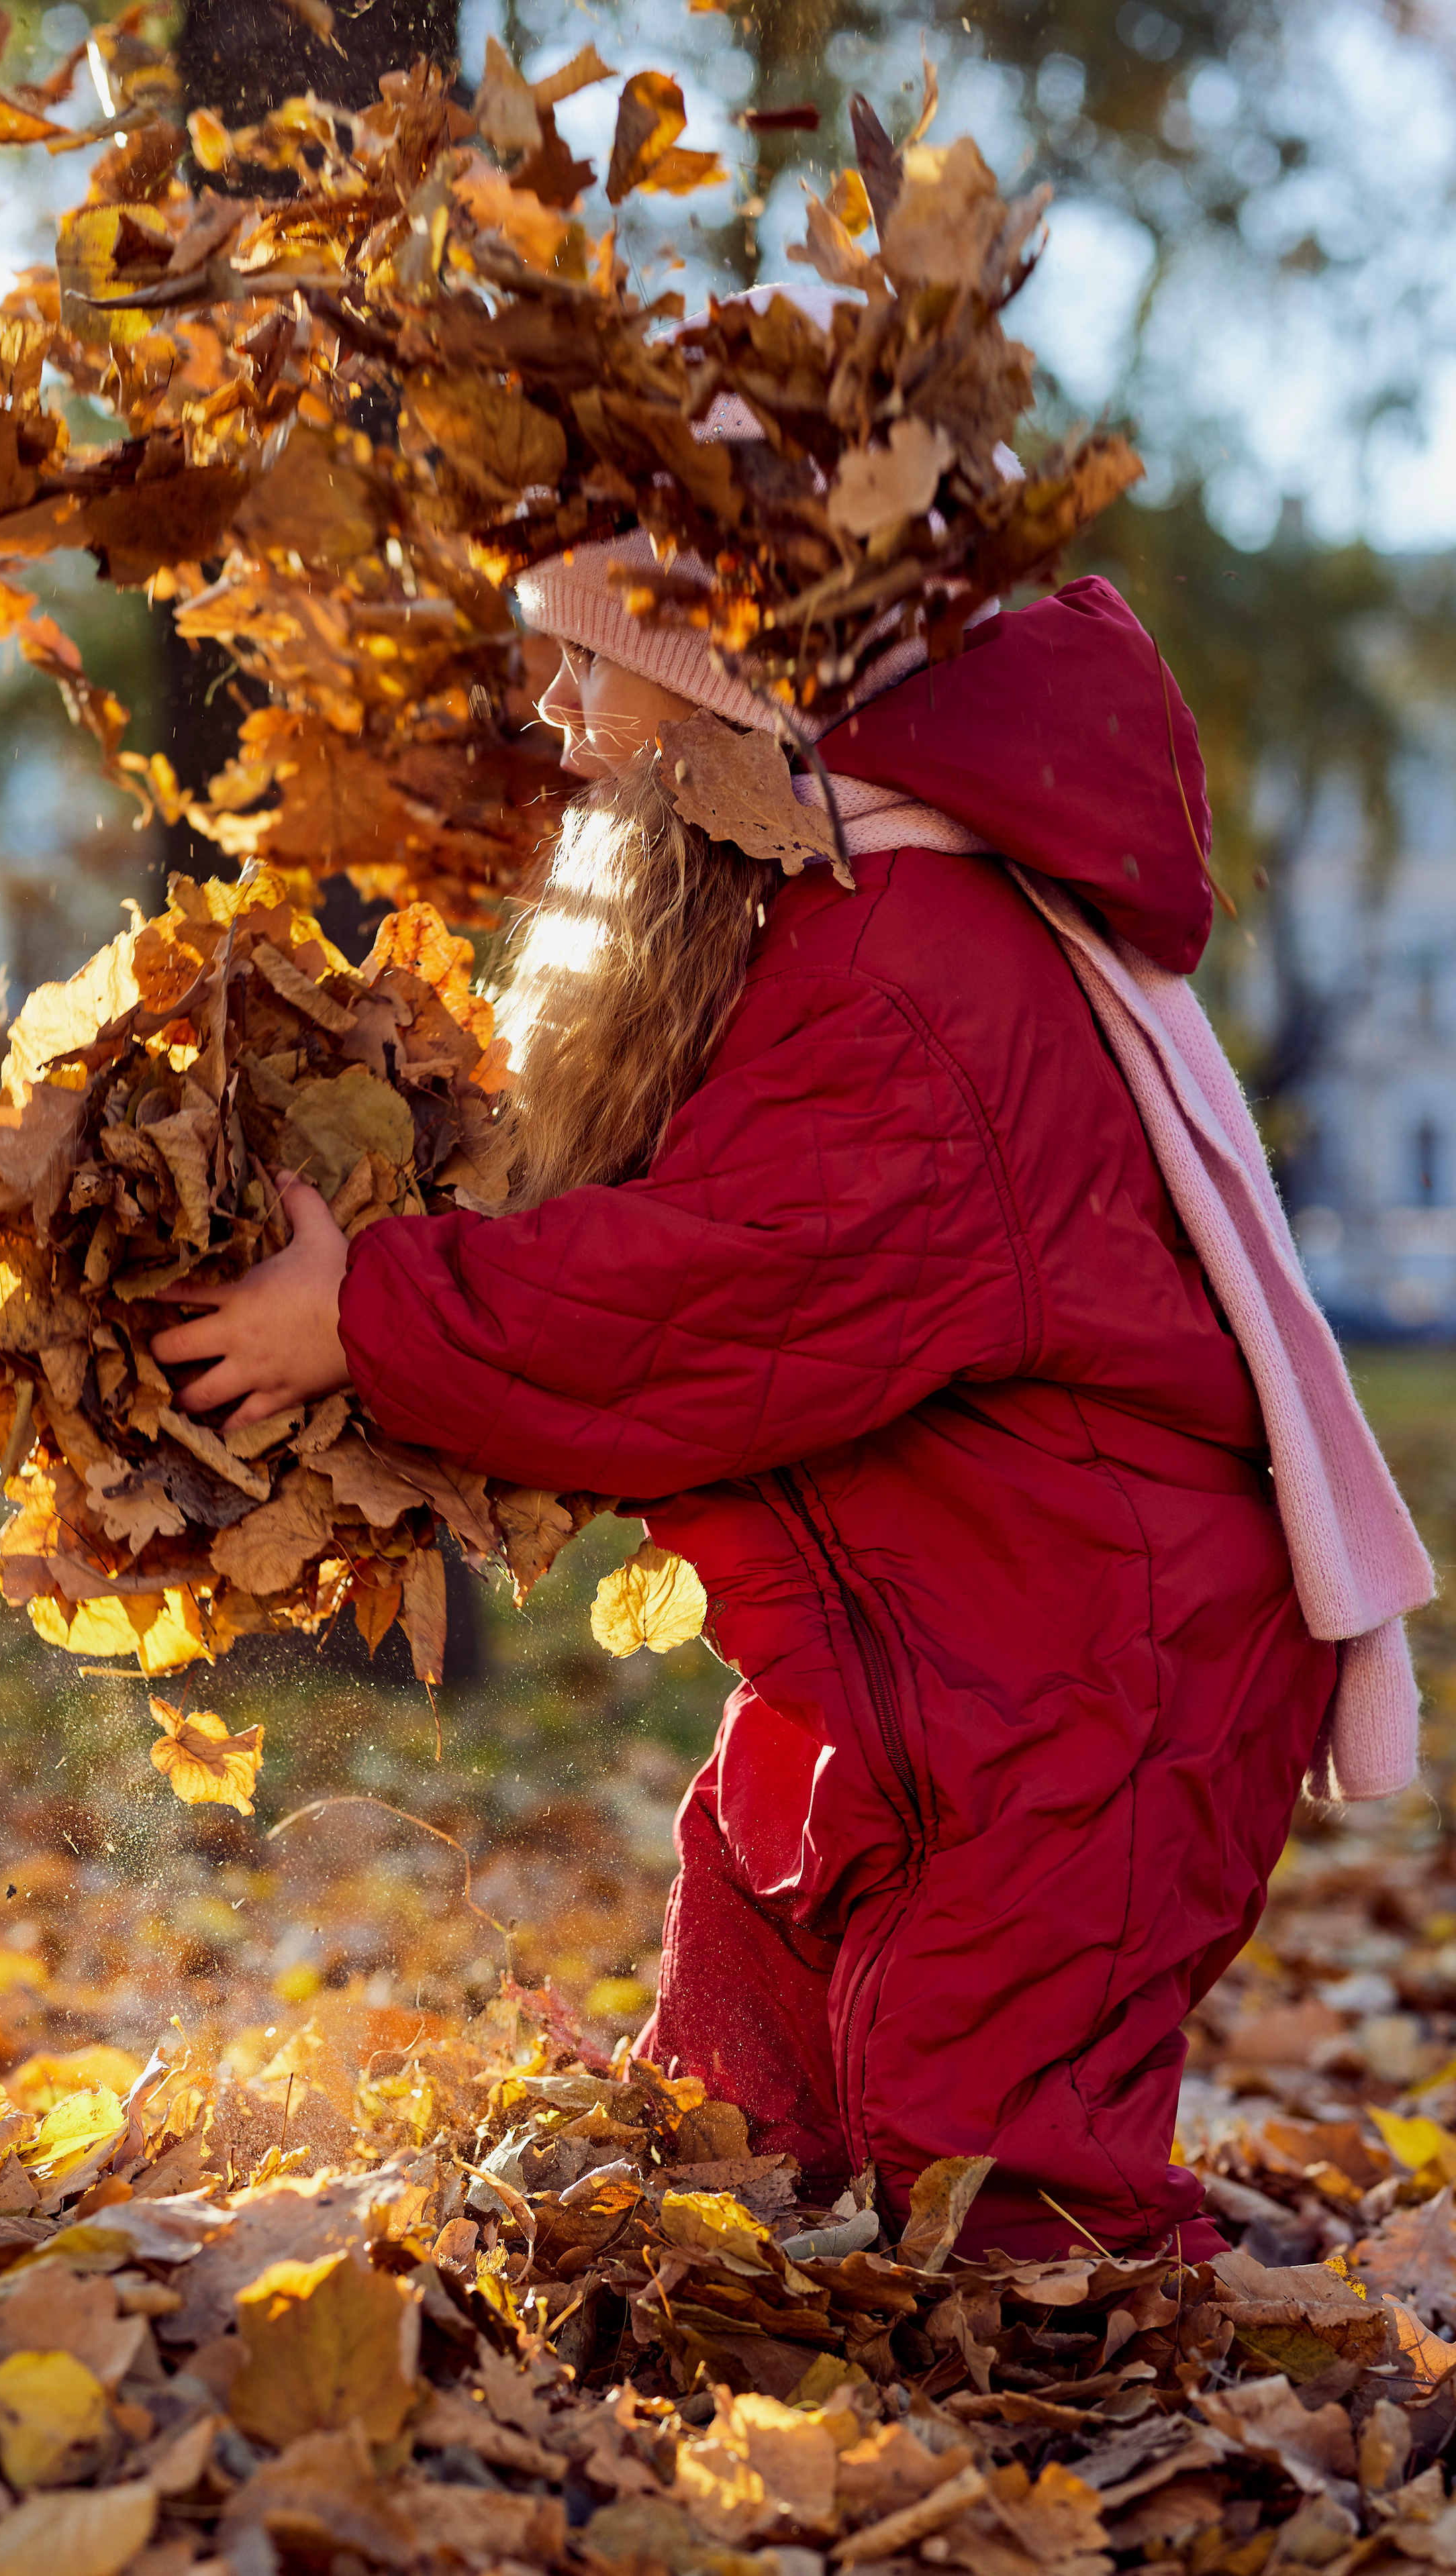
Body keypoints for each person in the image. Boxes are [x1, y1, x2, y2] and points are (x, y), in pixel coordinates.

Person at [151, 549, 1423, 2263]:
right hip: (930, 1654)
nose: (556, 715)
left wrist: (367, 1317)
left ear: (745, 697)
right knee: (748, 2031)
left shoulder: (910, 968)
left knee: (986, 2150)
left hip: (1091, 1673)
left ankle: (1099, 2416)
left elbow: (707, 1290)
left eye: (599, 666)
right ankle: (741, 2254)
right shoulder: (845, 928)